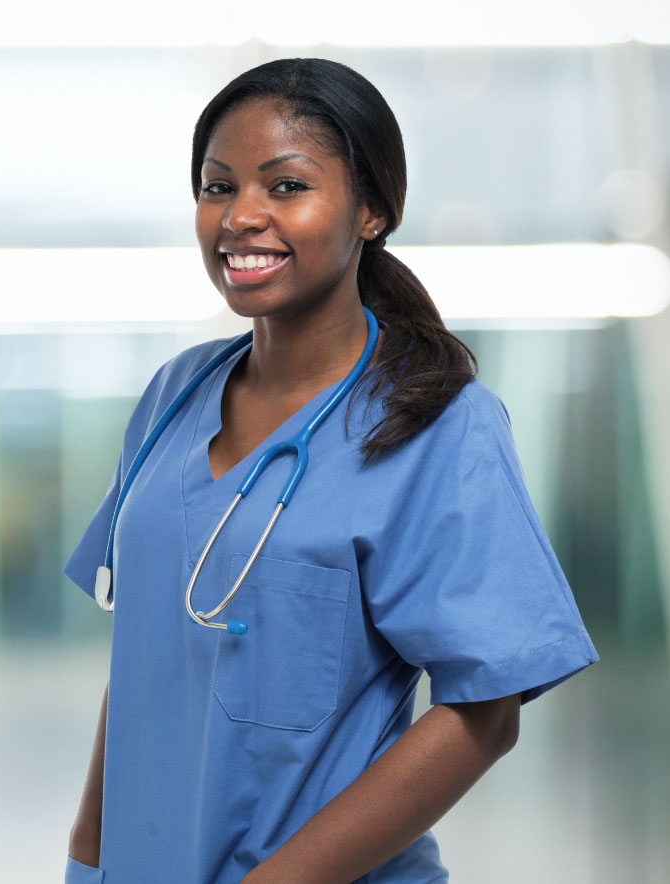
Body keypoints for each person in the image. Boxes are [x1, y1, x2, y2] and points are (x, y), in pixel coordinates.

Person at [62, 58, 598, 884]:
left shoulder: (436, 422)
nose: (241, 216)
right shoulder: (176, 394)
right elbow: (144, 658)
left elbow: (486, 713)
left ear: (372, 210)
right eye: (217, 186)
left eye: (285, 187)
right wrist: (86, 860)